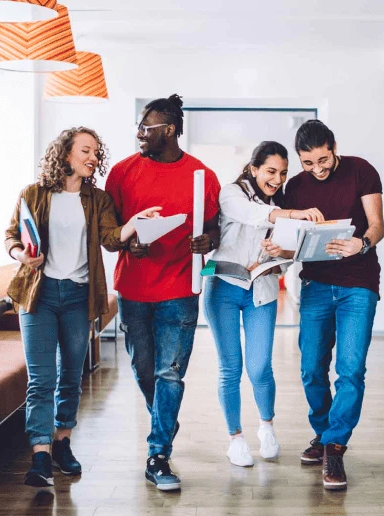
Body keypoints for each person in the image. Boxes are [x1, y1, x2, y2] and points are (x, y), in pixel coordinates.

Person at [5, 127, 161, 487]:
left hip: (78, 296)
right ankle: (40, 455)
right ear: (65, 154)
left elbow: (110, 240)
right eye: (85, 151)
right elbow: (13, 235)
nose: (93, 158)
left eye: (96, 152)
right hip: (38, 296)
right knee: (41, 379)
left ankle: (62, 443)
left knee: (71, 377)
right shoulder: (34, 193)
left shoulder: (98, 199)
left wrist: (133, 225)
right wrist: (21, 255)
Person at [105, 94, 222, 491]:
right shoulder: (122, 173)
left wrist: (207, 241)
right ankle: (165, 419)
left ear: (169, 130)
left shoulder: (202, 176)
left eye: (146, 128)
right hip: (133, 288)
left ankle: (158, 455)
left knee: (169, 373)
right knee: (144, 369)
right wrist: (128, 241)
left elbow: (215, 227)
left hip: (180, 287)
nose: (138, 133)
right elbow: (112, 232)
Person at [203, 141, 323, 467]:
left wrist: (278, 254)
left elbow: (288, 261)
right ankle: (235, 439)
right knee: (231, 368)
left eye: (283, 173)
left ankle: (266, 427)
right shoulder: (231, 193)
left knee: (259, 368)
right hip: (224, 289)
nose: (277, 179)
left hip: (263, 291)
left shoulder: (281, 204)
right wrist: (291, 214)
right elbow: (251, 214)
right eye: (271, 171)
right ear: (254, 168)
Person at [283, 120, 384, 491]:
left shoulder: (361, 170)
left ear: (334, 147)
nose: (317, 169)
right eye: (308, 163)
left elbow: (377, 225)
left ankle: (336, 445)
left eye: (323, 159)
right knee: (311, 368)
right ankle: (323, 433)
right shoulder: (295, 186)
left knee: (351, 369)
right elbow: (284, 230)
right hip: (315, 284)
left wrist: (364, 243)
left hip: (358, 285)